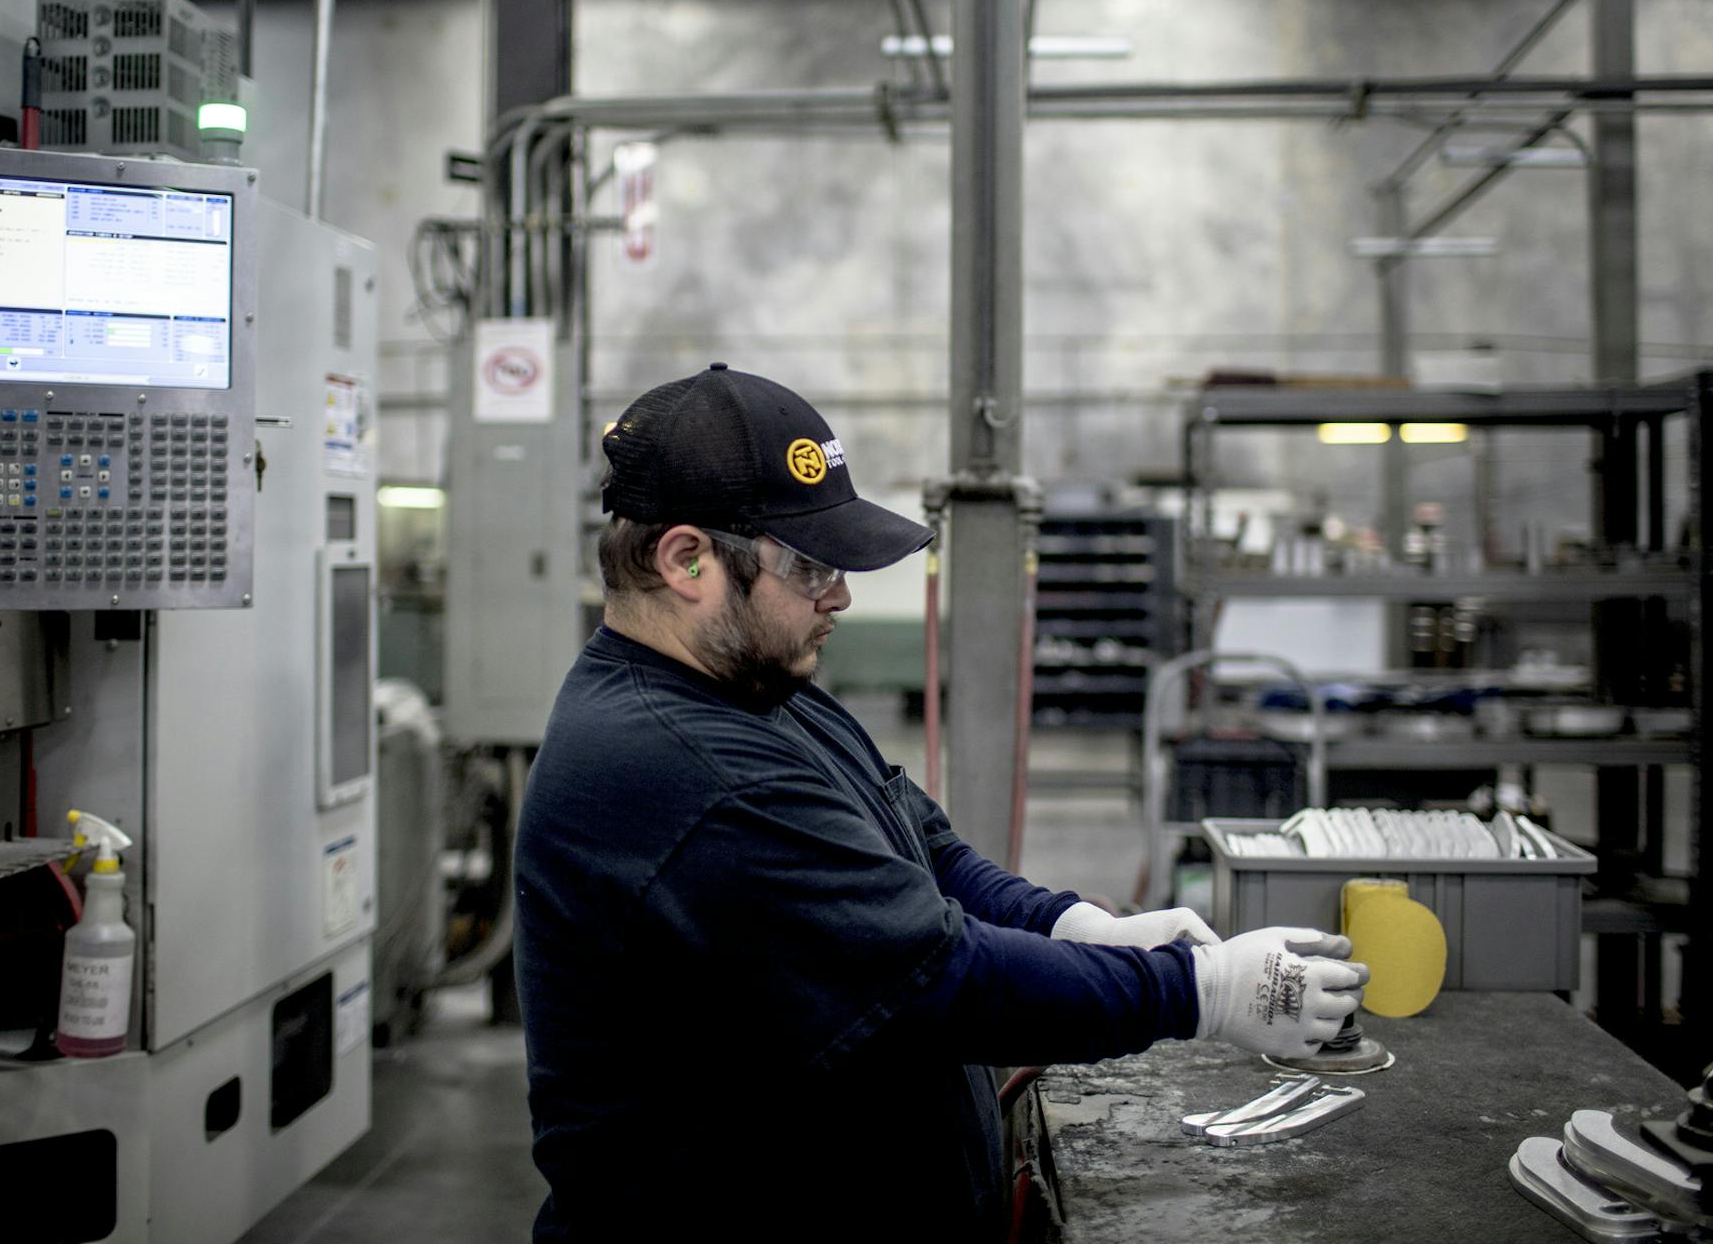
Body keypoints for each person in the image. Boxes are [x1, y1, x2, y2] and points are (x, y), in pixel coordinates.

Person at [515, 364, 1367, 1240]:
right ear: (687, 559)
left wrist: (1074, 925)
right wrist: (1199, 992)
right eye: (809, 566)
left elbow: (928, 850)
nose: (840, 594)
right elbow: (939, 978)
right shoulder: (680, 765)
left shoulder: (757, 686)